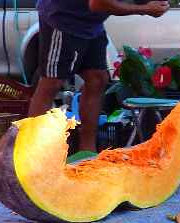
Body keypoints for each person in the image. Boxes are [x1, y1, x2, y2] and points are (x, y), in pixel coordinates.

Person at [29, 0, 170, 152]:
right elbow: (99, 4)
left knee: (97, 79)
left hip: (92, 23)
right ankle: (33, 151)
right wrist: (145, 9)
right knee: (52, 83)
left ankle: (87, 152)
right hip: (64, 19)